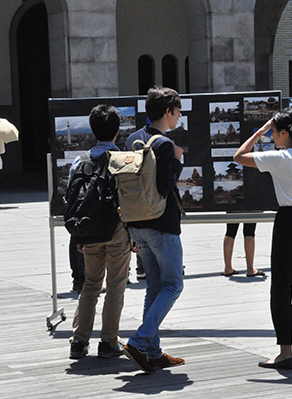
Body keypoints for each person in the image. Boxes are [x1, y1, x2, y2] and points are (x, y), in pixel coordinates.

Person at [234, 108, 292, 370]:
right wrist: (267, 130)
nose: (271, 136)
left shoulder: (282, 158)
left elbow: (239, 156)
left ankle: (285, 351)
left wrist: (258, 132)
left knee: (282, 287)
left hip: (290, 223)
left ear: (285, 133)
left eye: (274, 132)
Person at [121, 86, 186, 373]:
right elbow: (164, 186)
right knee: (173, 285)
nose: (179, 115)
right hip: (162, 224)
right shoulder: (164, 144)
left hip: (138, 224)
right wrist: (178, 162)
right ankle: (139, 341)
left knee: (155, 286)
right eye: (177, 110)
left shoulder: (133, 139)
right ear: (167, 112)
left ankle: (153, 350)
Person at [68, 104, 132, 359]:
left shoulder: (79, 161)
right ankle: (108, 342)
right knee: (116, 286)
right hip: (117, 229)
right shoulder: (123, 160)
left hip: (90, 230)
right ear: (117, 131)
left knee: (91, 284)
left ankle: (78, 341)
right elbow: (129, 200)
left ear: (93, 130)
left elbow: (73, 200)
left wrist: (79, 237)